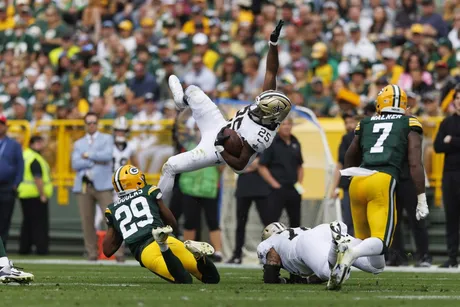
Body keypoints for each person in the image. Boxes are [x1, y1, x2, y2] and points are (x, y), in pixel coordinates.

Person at [158, 20, 292, 201]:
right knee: (193, 91)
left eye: (262, 107)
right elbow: (270, 71)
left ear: (269, 114)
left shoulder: (260, 137)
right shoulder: (269, 110)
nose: (258, 104)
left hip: (217, 149)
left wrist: (221, 147)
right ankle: (181, 103)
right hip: (220, 125)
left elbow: (239, 166)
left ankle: (157, 210)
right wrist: (273, 44)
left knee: (171, 165)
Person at [328, 84, 428, 290]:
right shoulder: (409, 121)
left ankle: (340, 248)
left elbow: (349, 155)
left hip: (358, 180)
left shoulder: (365, 122)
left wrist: (350, 181)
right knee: (381, 242)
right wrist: (421, 197)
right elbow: (415, 163)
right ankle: (350, 252)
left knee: (376, 263)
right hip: (382, 180)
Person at [103, 165, 220, 284]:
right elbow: (172, 222)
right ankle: (199, 257)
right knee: (211, 278)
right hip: (169, 239)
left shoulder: (113, 209)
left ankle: (163, 246)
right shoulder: (149, 191)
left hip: (146, 249)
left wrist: (116, 225)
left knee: (183, 280)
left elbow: (108, 250)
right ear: (137, 180)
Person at [257, 221, 383, 284]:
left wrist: (272, 277)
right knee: (375, 267)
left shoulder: (269, 242)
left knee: (331, 274)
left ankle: (336, 244)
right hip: (323, 231)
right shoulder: (292, 232)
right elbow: (309, 276)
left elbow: (273, 261)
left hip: (304, 243)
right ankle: (377, 238)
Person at [71, 112, 124, 261]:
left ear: (97, 123)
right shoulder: (78, 143)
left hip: (103, 184)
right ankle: (91, 253)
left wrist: (87, 155)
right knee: (87, 222)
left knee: (112, 219)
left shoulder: (107, 138)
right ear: (85, 124)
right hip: (84, 185)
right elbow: (75, 164)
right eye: (89, 123)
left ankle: (119, 253)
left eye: (94, 122)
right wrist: (93, 158)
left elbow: (107, 156)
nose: (92, 125)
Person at [258, 117, 304, 227]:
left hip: (293, 189)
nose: (287, 127)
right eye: (284, 124)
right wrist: (275, 184)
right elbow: (262, 166)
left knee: (296, 223)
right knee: (272, 223)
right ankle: (270, 244)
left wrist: (299, 184)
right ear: (279, 127)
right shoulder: (272, 143)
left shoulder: (295, 142)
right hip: (277, 190)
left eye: (289, 124)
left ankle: (294, 244)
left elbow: (300, 166)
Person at [433, 87, 460, 268]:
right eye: (457, 98)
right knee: (451, 217)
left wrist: (452, 140)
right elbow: (437, 146)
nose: (459, 101)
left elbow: (446, 144)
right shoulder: (446, 122)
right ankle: (452, 257)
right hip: (450, 175)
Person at [227, 155, 270, 264]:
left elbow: (260, 162)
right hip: (243, 188)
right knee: (240, 223)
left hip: (261, 188)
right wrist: (246, 165)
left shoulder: (264, 144)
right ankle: (237, 255)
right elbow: (237, 165)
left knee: (268, 224)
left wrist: (247, 165)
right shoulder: (242, 144)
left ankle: (268, 254)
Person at [17, 135, 53, 255]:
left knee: (27, 223)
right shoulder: (35, 158)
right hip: (35, 195)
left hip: (24, 194)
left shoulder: (26, 155)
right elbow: (37, 178)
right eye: (38, 143)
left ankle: (24, 248)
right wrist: (42, 194)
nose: (40, 145)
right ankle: (41, 249)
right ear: (32, 144)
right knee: (39, 224)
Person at [330, 113, 357, 235]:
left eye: (351, 122)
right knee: (348, 220)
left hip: (362, 183)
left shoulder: (364, 137)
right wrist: (334, 187)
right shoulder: (346, 139)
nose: (349, 126)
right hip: (348, 186)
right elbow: (339, 164)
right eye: (346, 123)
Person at [0, 113, 24, 248]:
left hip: (7, 187)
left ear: (5, 126)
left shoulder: (13, 145)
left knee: (5, 219)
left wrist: (16, 184)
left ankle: (2, 250)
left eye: (1, 125)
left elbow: (20, 165)